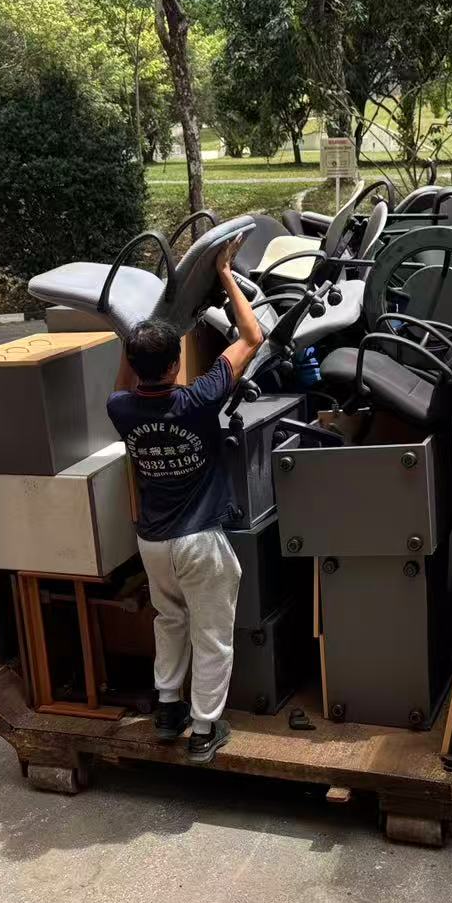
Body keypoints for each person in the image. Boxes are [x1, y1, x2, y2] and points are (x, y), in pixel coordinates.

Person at [107, 239, 264, 761]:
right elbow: (252, 336)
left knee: (170, 622)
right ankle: (204, 730)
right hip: (199, 541)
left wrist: (137, 331)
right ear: (178, 362)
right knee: (213, 635)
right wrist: (223, 272)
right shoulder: (198, 400)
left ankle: (168, 708)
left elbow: (126, 380)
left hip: (153, 541)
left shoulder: (121, 409)